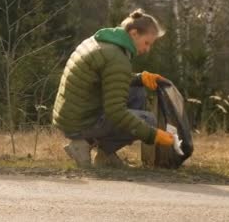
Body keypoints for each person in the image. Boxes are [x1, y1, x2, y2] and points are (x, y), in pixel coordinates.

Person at [53, 9, 175, 168]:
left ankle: (105, 155)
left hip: (71, 114)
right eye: (147, 43)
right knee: (148, 120)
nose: (147, 49)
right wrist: (153, 134)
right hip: (80, 122)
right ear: (134, 33)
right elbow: (115, 111)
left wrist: (139, 78)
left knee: (137, 89)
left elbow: (107, 80)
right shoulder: (117, 58)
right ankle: (83, 144)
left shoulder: (104, 42)